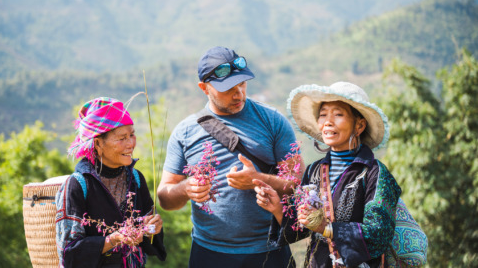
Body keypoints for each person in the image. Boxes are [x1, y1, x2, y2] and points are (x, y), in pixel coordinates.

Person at [157, 46, 304, 268]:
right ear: (204, 88)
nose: (239, 94)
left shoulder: (273, 121)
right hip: (209, 253)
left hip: (269, 251)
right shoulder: (185, 132)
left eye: (242, 84)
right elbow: (165, 198)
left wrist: (257, 179)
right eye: (227, 88)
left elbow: (299, 185)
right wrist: (186, 188)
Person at [254, 82, 401, 267]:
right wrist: (277, 209)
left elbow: (379, 233)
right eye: (323, 115)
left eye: (338, 114)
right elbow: (303, 228)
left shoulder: (374, 173)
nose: (328, 121)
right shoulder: (314, 171)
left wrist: (327, 228)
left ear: (360, 125)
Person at [56, 97, 167, 267]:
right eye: (122, 138)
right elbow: (69, 254)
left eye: (132, 134)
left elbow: (150, 244)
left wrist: (153, 229)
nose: (131, 144)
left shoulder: (136, 179)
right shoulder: (78, 185)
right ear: (98, 143)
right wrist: (112, 240)